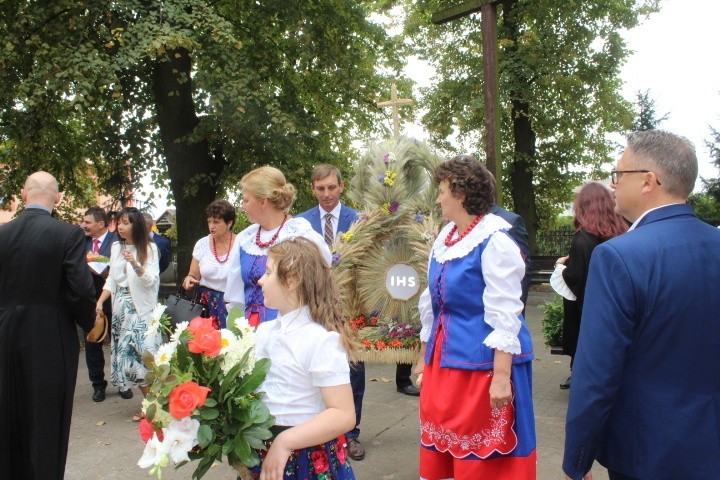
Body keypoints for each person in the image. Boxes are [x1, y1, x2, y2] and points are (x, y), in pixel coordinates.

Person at [562, 130, 720, 480]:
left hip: (648, 452)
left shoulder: (619, 256)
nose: (613, 184)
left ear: (648, 181)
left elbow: (596, 375)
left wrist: (578, 459)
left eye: (618, 174)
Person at [416, 155, 536, 479]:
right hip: (445, 362)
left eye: (442, 190)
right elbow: (433, 304)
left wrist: (500, 376)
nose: (438, 198)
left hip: (483, 367)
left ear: (461, 194)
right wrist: (423, 359)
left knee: (483, 460)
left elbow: (506, 309)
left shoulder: (494, 239)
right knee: (447, 449)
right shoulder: (446, 238)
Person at [0, 172, 96, 479]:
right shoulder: (68, 235)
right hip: (49, 337)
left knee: (6, 416)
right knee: (47, 420)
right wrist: (90, 323)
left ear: (23, 195)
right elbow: (81, 290)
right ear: (57, 198)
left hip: (3, 334)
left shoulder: (2, 234)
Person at [252, 237, 357, 480]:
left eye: (268, 273)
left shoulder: (321, 341)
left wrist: (285, 442)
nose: (260, 280)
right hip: (265, 450)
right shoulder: (265, 331)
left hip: (305, 457)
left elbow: (343, 414)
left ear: (291, 280)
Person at [295, 164, 367, 460]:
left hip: (350, 306)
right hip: (312, 306)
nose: (326, 194)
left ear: (342, 186)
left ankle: (350, 434)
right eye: (320, 188)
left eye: (331, 187)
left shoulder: (359, 220)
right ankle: (318, 431)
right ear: (312, 188)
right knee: (313, 367)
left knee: (352, 369)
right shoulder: (300, 222)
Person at [225, 166, 330, 325]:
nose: (242, 206)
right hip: (249, 331)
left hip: (290, 330)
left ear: (263, 202)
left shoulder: (301, 235)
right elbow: (235, 296)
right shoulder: (245, 238)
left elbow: (322, 286)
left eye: (246, 200)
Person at [550, 182, 627, 390]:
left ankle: (579, 376)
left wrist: (560, 266)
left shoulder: (582, 238)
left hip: (586, 307)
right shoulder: (620, 233)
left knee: (584, 344)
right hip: (613, 304)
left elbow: (575, 278)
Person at [96, 207, 161, 412]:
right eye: (119, 223)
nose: (121, 227)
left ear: (137, 225)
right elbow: (112, 280)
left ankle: (156, 405)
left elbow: (151, 281)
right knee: (128, 361)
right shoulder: (116, 247)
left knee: (148, 358)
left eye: (126, 223)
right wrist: (100, 301)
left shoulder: (149, 249)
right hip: (121, 309)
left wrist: (135, 264)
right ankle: (151, 406)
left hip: (141, 309)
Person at [81, 206, 120, 402]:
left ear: (101, 224)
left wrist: (94, 259)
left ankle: (122, 383)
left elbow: (118, 266)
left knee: (119, 342)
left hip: (114, 299)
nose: (84, 225)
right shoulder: (81, 241)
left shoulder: (117, 241)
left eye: (87, 222)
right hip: (89, 301)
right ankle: (98, 385)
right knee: (92, 343)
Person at [182, 200, 236, 329]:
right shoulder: (202, 244)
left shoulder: (241, 244)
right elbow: (193, 274)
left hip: (231, 304)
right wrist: (189, 279)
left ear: (229, 223)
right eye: (209, 222)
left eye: (216, 222)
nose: (212, 226)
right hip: (205, 305)